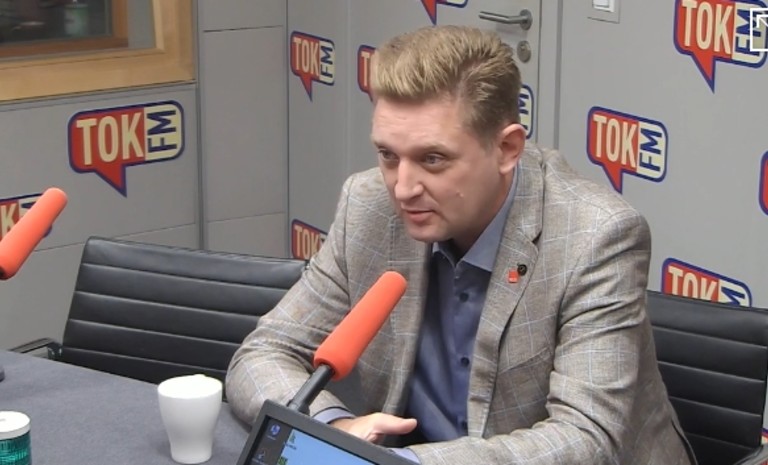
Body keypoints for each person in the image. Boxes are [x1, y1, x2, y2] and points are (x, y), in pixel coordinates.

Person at [226, 25, 695, 465]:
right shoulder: (369, 206)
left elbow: (586, 437)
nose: (403, 188)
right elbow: (264, 354)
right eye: (388, 155)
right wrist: (336, 429)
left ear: (507, 149)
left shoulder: (595, 235)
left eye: (433, 159)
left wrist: (400, 463)